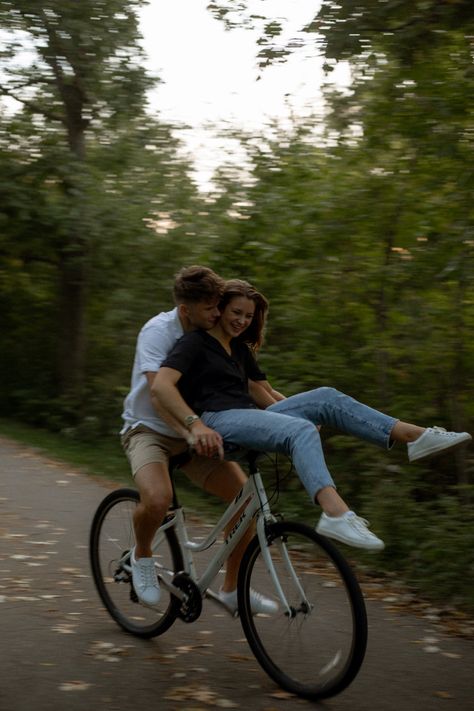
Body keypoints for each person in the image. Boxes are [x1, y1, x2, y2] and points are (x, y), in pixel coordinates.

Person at [152, 279, 472, 552]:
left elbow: (265, 392)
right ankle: (335, 513)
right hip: (218, 422)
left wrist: (304, 410)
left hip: (248, 419)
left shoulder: (238, 349)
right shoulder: (194, 343)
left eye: (249, 316)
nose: (242, 321)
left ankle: (414, 437)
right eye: (236, 313)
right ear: (219, 308)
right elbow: (163, 385)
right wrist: (195, 424)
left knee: (327, 397)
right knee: (300, 431)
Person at [121, 266, 276, 614]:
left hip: (198, 432)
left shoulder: (215, 334)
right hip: (149, 430)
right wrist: (192, 430)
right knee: (158, 500)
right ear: (185, 309)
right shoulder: (158, 332)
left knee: (245, 505)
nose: (218, 313)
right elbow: (160, 395)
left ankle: (233, 589)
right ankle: (140, 557)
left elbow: (253, 386)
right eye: (210, 308)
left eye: (218, 305)